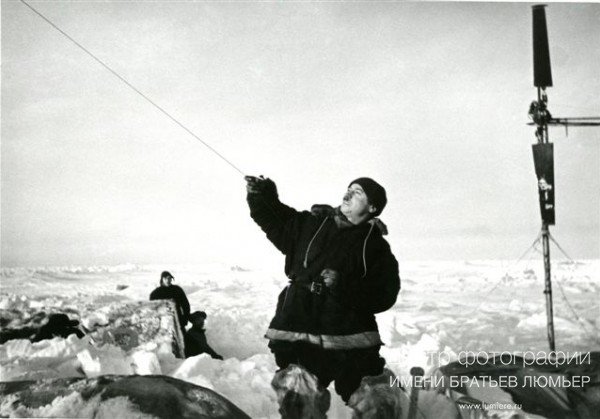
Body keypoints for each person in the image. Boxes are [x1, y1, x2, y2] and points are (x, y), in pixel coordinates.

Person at [245, 175, 400, 415]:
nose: (348, 194)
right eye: (348, 189)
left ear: (373, 207)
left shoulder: (376, 246)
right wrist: (262, 195)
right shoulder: (310, 224)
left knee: (375, 401)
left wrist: (344, 286)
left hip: (352, 340)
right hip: (299, 328)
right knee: (297, 400)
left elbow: (385, 294)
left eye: (357, 192)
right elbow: (271, 218)